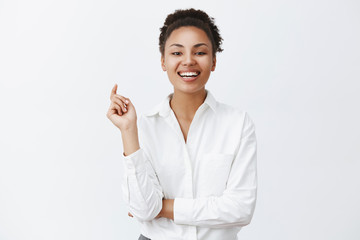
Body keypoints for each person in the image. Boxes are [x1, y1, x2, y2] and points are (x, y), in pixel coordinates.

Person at [106, 8, 257, 240]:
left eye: (200, 52)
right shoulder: (145, 126)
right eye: (177, 53)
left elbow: (240, 209)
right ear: (163, 61)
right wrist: (128, 131)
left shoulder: (237, 123)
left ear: (214, 61)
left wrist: (164, 208)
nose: (188, 61)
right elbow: (144, 208)